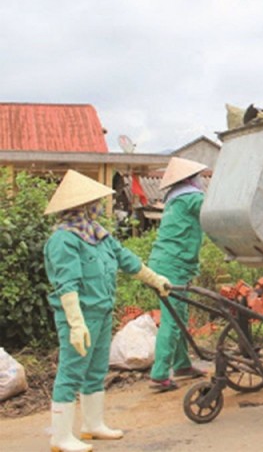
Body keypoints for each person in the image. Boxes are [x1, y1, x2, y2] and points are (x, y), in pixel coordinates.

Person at [44, 170, 170, 452]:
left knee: (97, 368)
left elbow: (126, 259)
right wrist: (76, 324)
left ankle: (92, 425)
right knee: (72, 370)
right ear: (81, 206)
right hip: (79, 316)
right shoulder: (64, 240)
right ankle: (60, 437)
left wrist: (155, 279)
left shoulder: (98, 234)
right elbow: (67, 284)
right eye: (95, 202)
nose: (99, 207)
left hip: (102, 312)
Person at [148, 157, 208, 392]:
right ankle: (160, 373)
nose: (200, 181)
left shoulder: (174, 198)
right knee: (172, 321)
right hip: (173, 266)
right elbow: (216, 212)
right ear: (190, 179)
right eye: (198, 177)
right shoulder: (192, 197)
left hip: (164, 263)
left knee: (178, 316)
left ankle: (182, 364)